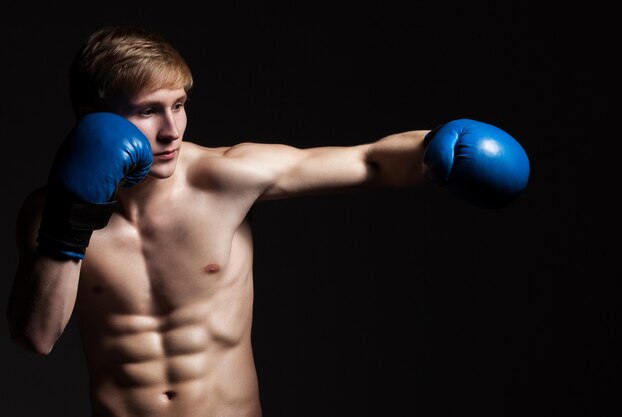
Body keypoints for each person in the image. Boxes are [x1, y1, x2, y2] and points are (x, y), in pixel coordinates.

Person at [6, 26, 530, 417]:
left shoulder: (224, 176)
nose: (171, 130)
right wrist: (71, 221)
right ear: (91, 119)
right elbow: (38, 336)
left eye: (180, 105)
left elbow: (368, 161)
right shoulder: (49, 211)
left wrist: (437, 145)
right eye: (148, 111)